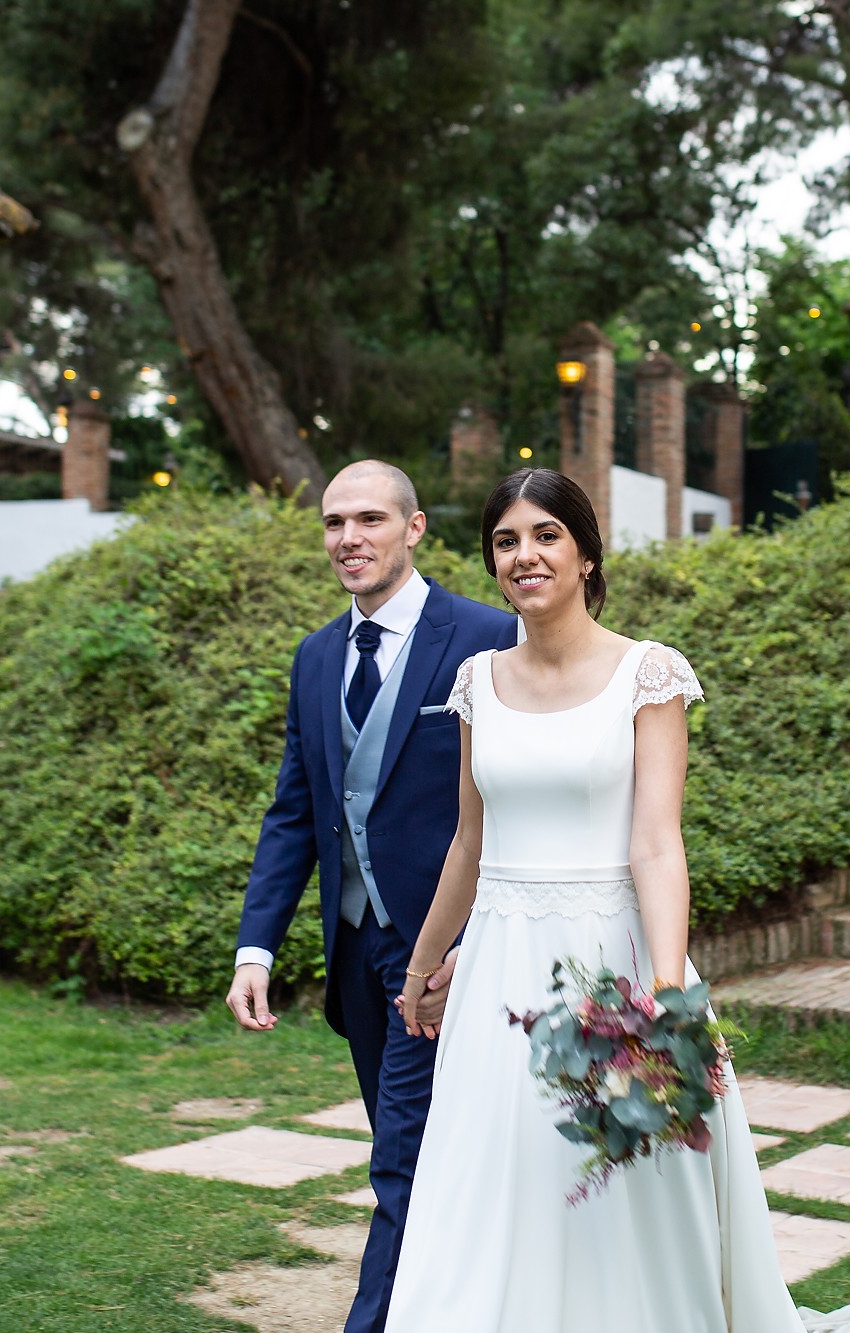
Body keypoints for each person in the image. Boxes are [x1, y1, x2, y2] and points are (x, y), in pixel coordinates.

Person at [387, 470, 850, 1333]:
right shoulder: (477, 681)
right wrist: (422, 968)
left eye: (546, 535)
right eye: (506, 540)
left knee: (621, 1185)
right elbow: (469, 842)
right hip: (497, 968)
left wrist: (665, 1000)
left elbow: (657, 843)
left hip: (613, 959)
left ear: (587, 554)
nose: (525, 555)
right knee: (496, 1169)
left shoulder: (648, 673)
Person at [229, 460, 517, 1333]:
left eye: (369, 519)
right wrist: (256, 947)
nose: (348, 538)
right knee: (422, 1153)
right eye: (333, 522)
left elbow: (515, 803)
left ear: (415, 528)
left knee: (399, 1155)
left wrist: (476, 938)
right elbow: (294, 811)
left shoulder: (488, 636)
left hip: (448, 954)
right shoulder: (315, 656)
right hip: (355, 949)